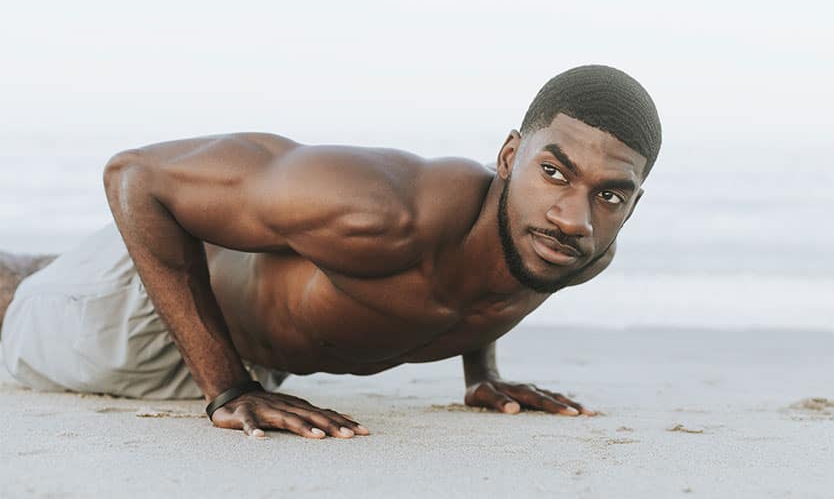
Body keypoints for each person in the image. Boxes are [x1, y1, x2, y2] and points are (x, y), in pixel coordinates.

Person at [0, 64, 661, 440]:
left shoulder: (574, 248)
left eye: (609, 195)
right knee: (16, 306)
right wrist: (227, 388)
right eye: (553, 172)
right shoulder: (378, 210)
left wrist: (479, 374)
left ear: (632, 202)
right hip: (137, 316)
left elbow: (479, 285)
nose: (572, 215)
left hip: (250, 356)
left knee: (33, 275)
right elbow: (134, 176)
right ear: (510, 157)